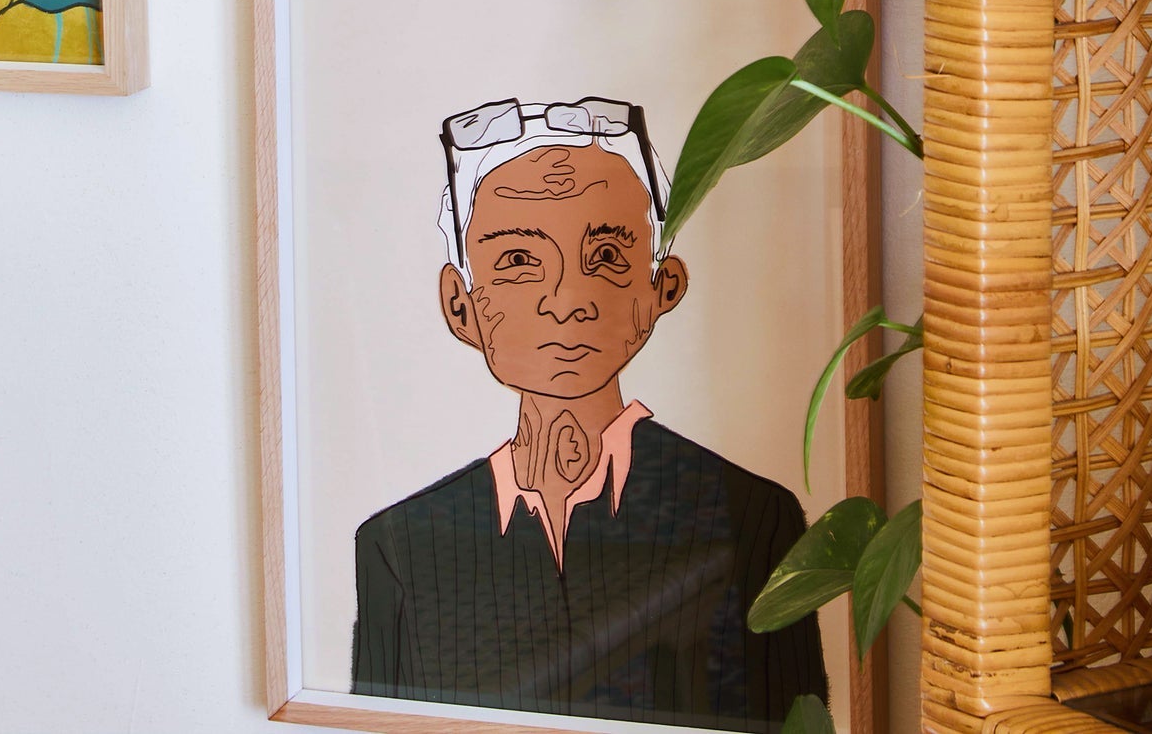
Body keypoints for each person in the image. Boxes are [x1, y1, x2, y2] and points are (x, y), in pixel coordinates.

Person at [352, 98, 827, 728]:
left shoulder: (755, 520)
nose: (566, 299)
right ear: (460, 305)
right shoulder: (398, 548)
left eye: (605, 256)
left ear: (662, 288)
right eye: (519, 261)